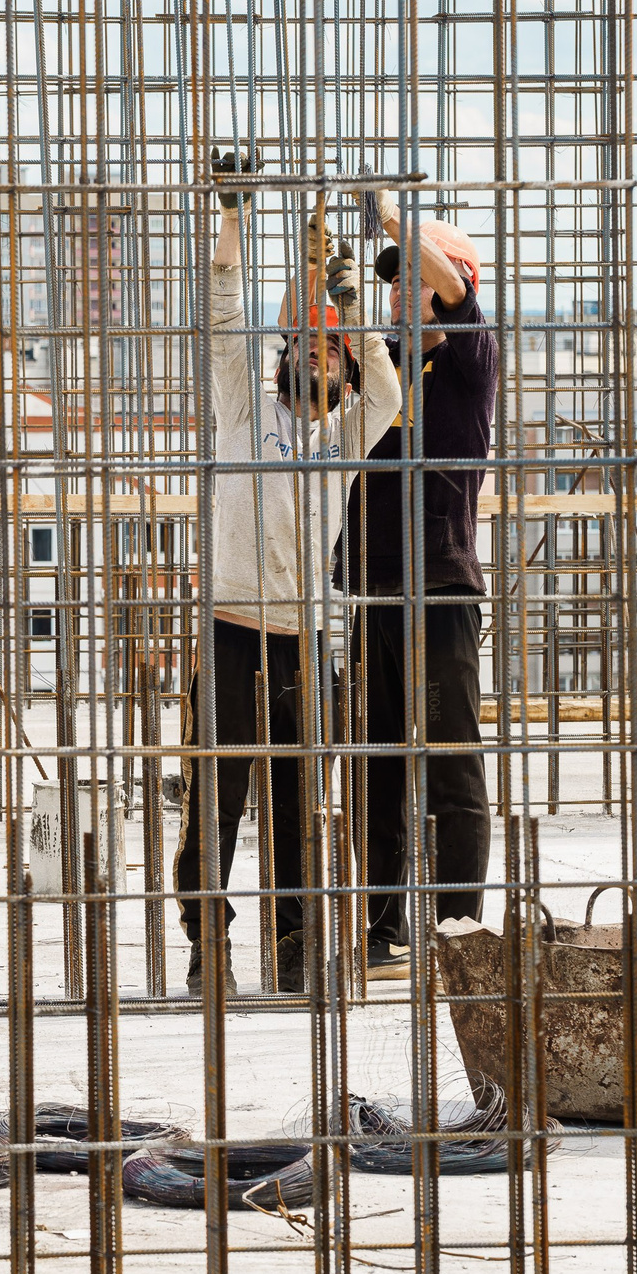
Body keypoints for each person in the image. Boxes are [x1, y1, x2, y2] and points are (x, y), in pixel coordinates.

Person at [177, 152, 402, 995]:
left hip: (305, 641)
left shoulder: (342, 437)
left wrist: (352, 305)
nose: (315, 354)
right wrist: (235, 216)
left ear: (342, 365)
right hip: (232, 633)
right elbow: (225, 307)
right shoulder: (246, 404)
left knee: (301, 803)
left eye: (329, 347)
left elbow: (388, 395)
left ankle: (297, 940)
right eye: (302, 341)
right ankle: (209, 940)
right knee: (215, 802)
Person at [333, 194, 497, 981]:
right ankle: (387, 927)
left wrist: (398, 222)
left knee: (451, 765)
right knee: (380, 767)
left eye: (412, 281)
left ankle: (459, 933)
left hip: (439, 588)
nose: (400, 293)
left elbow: (456, 293)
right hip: (371, 589)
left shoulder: (468, 359)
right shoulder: (382, 373)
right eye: (392, 283)